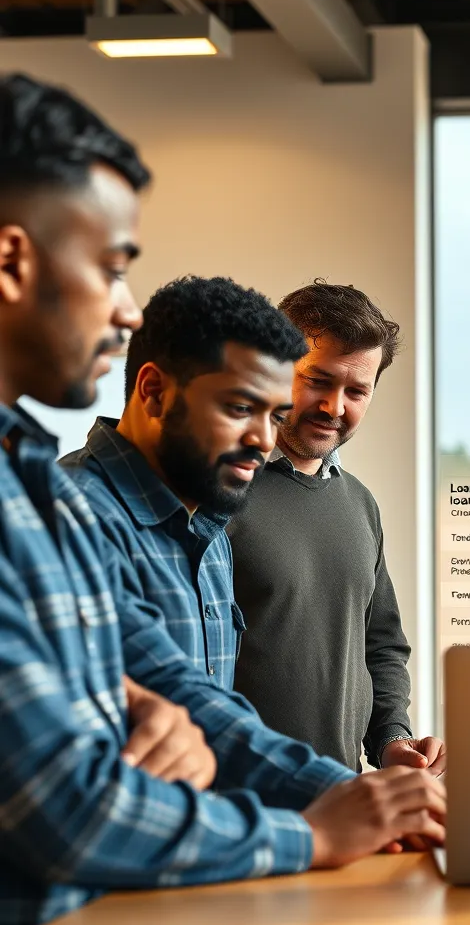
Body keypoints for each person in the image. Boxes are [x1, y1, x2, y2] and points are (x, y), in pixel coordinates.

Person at [0, 73, 443, 925]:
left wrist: (355, 793)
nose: (127, 309)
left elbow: (186, 694)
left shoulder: (33, 488)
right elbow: (62, 804)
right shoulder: (78, 498)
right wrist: (312, 829)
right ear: (13, 260)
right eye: (111, 266)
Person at [228, 281, 446, 775]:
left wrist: (393, 739)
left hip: (347, 803)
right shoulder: (217, 494)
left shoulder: (360, 504)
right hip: (242, 810)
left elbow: (382, 644)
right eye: (317, 381)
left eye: (356, 391)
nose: (335, 407)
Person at [61, 274, 307, 690]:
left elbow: (212, 716)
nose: (264, 440)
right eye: (241, 407)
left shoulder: (211, 532)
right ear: (154, 391)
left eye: (277, 417)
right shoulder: (70, 518)